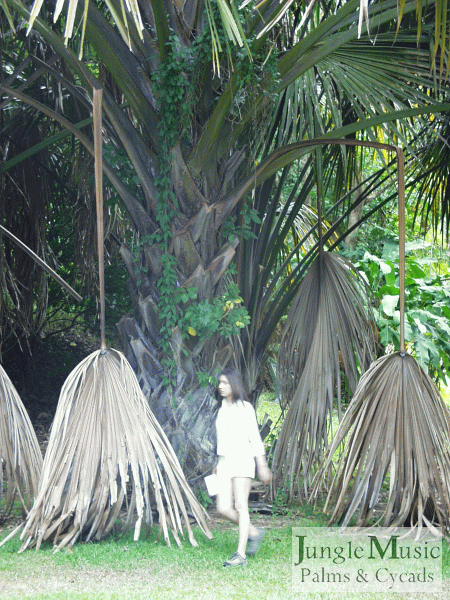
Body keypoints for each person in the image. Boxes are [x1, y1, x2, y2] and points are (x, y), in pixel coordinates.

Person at [213, 366, 272, 567]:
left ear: (234, 384)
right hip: (224, 462)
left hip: (242, 460)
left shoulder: (245, 408)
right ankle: (254, 533)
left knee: (240, 506)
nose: (221, 386)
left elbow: (255, 438)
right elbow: (222, 437)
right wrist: (217, 462)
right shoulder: (221, 407)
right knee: (222, 508)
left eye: (225, 383)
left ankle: (241, 554)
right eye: (220, 382)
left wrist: (261, 465)